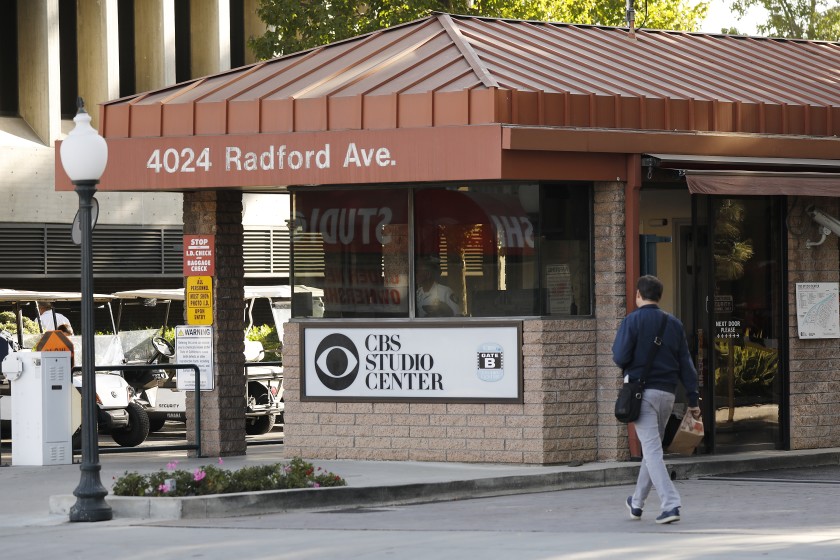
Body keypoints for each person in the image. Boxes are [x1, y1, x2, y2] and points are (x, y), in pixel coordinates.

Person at [612, 275, 700, 525]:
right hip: (668, 395)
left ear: (638, 295)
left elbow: (619, 356)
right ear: (659, 296)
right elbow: (686, 365)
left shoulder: (632, 320)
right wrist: (693, 400)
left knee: (651, 451)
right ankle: (636, 503)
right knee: (653, 450)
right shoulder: (673, 324)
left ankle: (671, 504)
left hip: (641, 394)